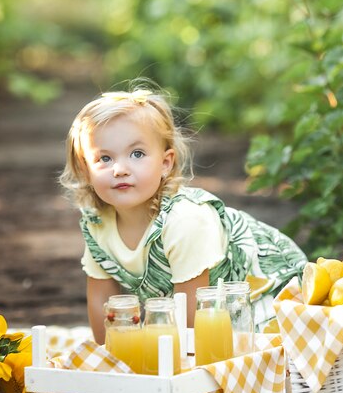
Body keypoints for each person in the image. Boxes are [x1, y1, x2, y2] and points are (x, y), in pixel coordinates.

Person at [59, 80, 307, 344]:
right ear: (86, 170)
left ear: (166, 163)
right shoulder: (98, 223)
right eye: (104, 159)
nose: (120, 168)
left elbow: (191, 317)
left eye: (137, 154)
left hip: (263, 297)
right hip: (209, 317)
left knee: (242, 350)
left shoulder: (184, 220)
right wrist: (110, 360)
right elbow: (102, 301)